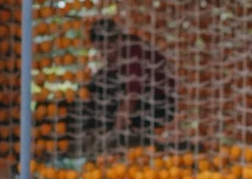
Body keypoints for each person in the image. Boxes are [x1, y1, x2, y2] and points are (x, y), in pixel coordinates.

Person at [68, 19, 177, 150]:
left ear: (117, 40)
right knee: (97, 83)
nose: (104, 55)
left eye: (106, 49)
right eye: (100, 51)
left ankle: (115, 134)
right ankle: (95, 132)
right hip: (143, 102)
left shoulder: (134, 50)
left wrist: (118, 127)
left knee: (105, 84)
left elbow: (133, 91)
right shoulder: (120, 55)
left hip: (159, 104)